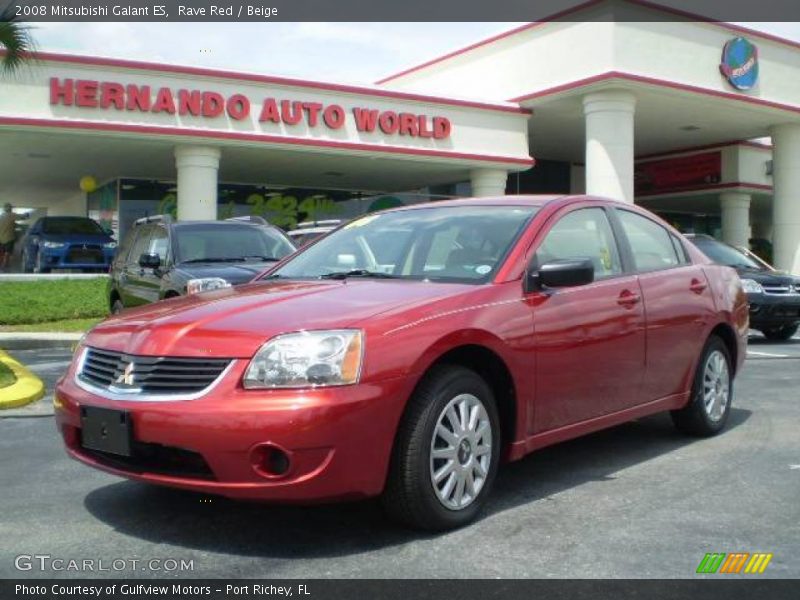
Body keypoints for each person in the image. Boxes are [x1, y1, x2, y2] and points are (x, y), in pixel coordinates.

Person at [0, 203, 19, 271]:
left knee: (1, 252)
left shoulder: (1, 216)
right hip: (9, 238)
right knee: (7, 252)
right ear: (10, 208)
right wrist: (27, 215)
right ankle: (5, 265)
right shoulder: (11, 215)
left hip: (1, 238)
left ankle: (1, 264)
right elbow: (22, 217)